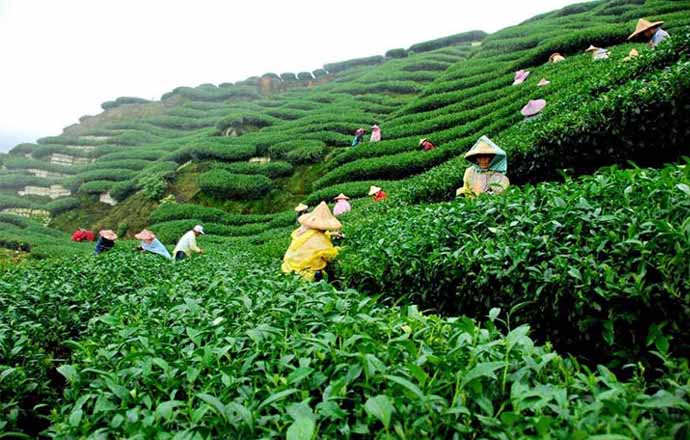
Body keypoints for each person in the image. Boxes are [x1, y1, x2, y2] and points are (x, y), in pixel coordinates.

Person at [281, 201, 341, 281]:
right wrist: (339, 249)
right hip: (305, 275)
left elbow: (316, 236)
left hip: (288, 269)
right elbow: (330, 256)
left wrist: (332, 234)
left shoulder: (303, 232)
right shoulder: (320, 240)